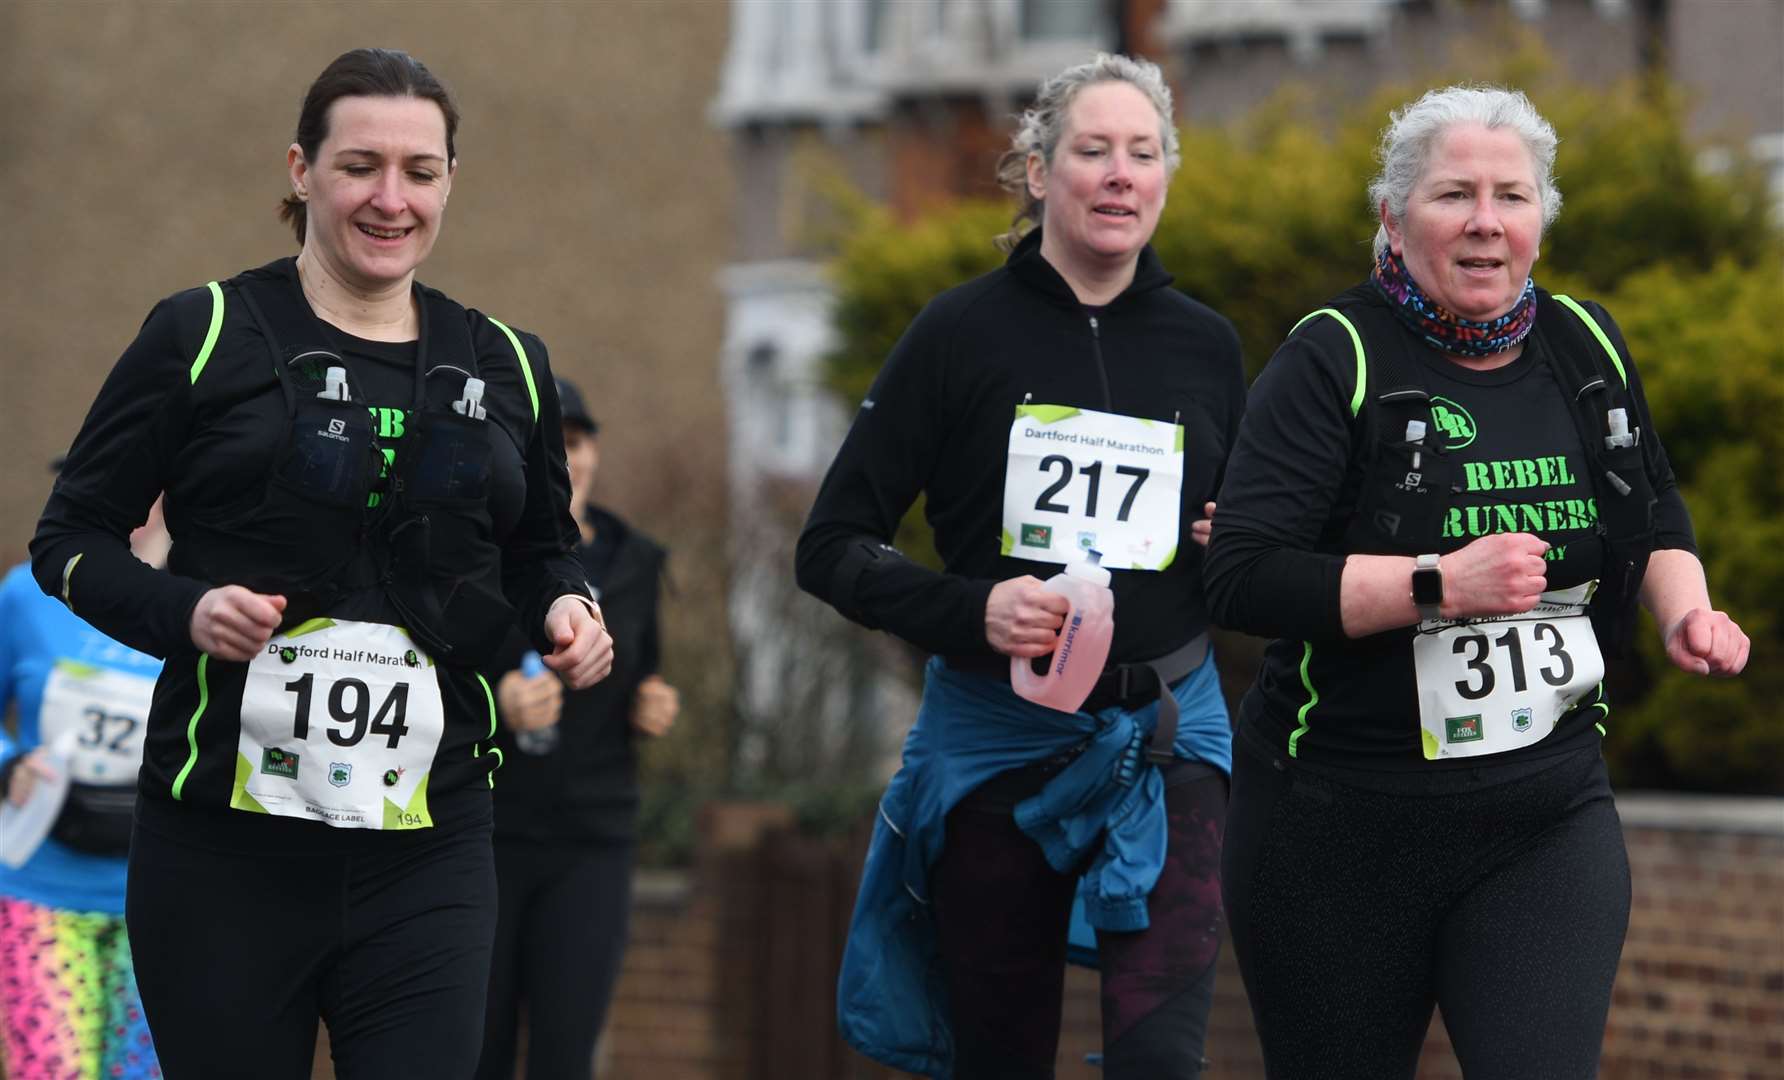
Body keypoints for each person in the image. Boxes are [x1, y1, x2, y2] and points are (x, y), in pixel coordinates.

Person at [29, 48, 613, 1079]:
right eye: (360, 166)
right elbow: (67, 540)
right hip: (223, 851)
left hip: (429, 843)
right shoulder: (203, 334)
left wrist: (567, 610)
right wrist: (187, 610)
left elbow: (538, 553)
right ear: (301, 170)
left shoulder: (505, 362)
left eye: (419, 172)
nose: (390, 199)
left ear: (448, 183)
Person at [1205, 85, 1749, 1078]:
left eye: (1511, 195)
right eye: (1453, 194)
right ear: (1392, 216)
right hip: (1336, 829)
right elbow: (1241, 576)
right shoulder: (1335, 356)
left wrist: (1687, 609)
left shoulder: (1582, 343)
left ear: (1540, 218)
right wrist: (1437, 585)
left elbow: (1651, 507)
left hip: (1544, 815)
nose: (1484, 221)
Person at [797, 53, 1246, 1080]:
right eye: (1092, 151)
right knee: (998, 1054)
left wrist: (1238, 542)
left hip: (1171, 731)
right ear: (1039, 173)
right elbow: (828, 546)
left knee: (1161, 1059)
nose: (1119, 175)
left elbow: (1254, 553)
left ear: (1166, 177)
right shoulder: (958, 334)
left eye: (1143, 154)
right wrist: (972, 612)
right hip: (999, 737)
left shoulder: (1206, 347)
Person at [475, 377, 677, 1080]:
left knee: (568, 1051)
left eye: (578, 441)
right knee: (478, 1049)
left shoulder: (638, 561)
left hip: (593, 838)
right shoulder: (480, 554)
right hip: (487, 834)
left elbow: (647, 671)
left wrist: (653, 700)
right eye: (551, 444)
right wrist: (495, 698)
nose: (568, 457)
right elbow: (438, 668)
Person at [0, 491, 168, 1080]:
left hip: (160, 904)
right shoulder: (25, 594)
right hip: (41, 888)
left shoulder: (203, 601)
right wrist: (9, 764)